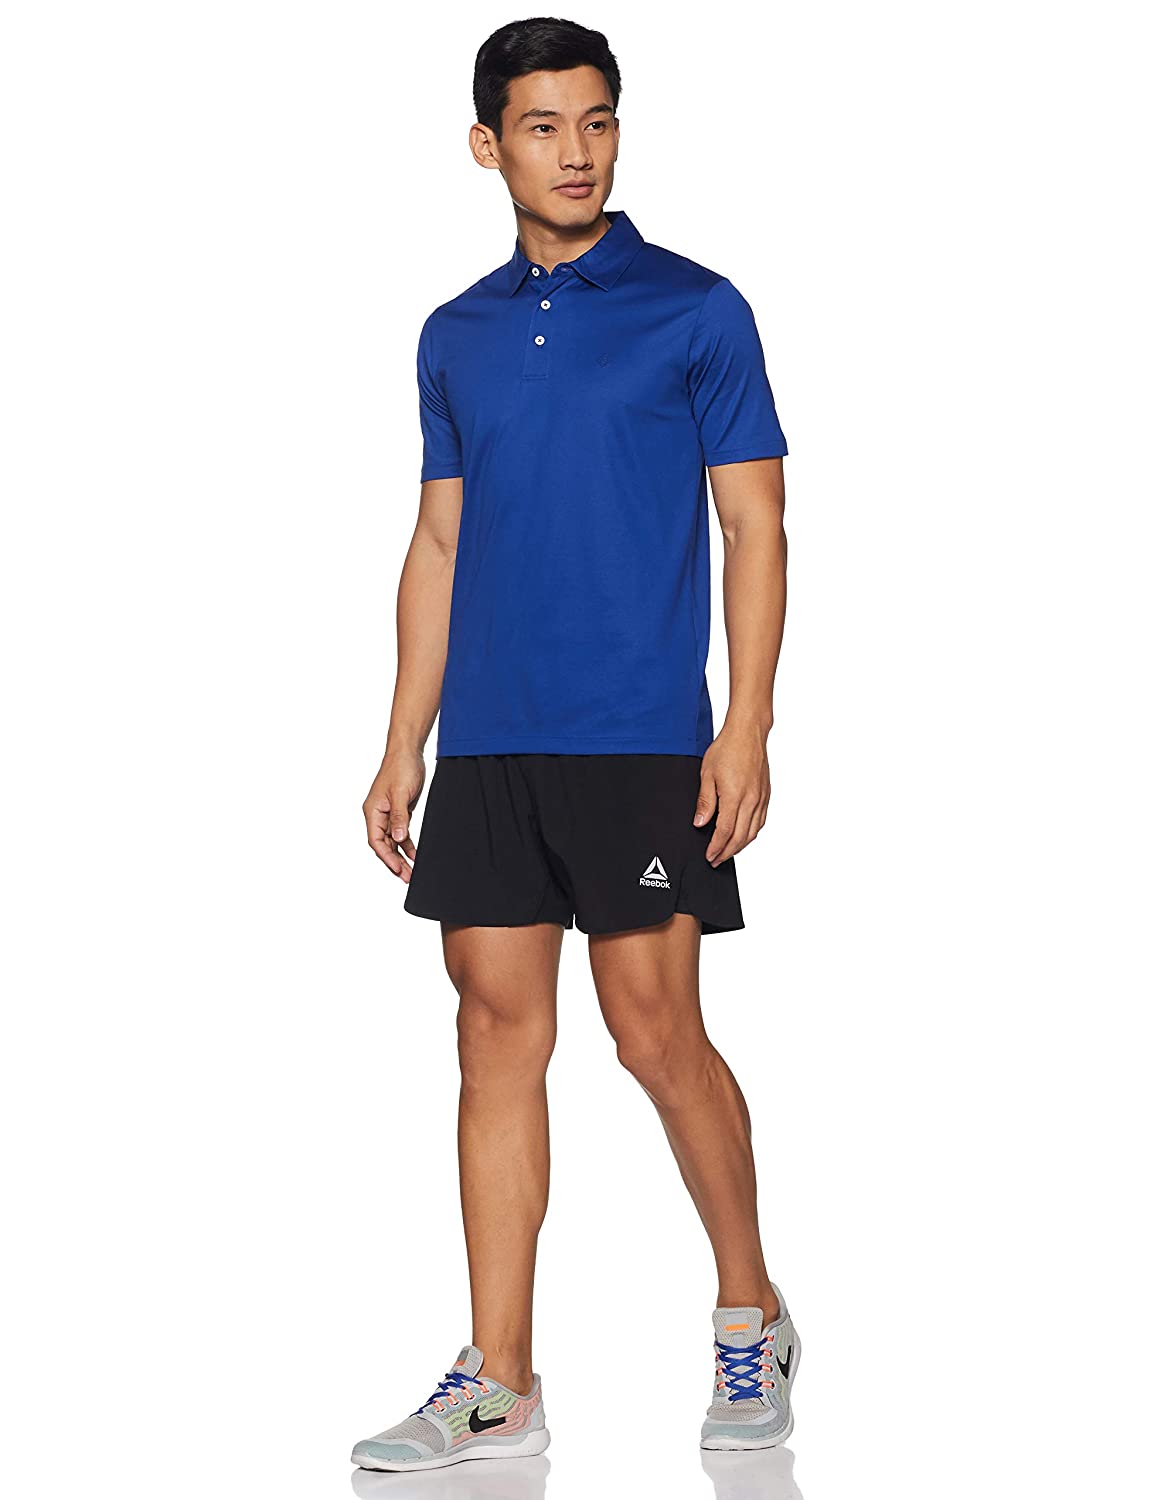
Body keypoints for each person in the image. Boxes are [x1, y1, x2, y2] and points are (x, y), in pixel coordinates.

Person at [353, 16, 800, 1474]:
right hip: (491, 739)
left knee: (653, 1031)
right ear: (488, 145)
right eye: (543, 126)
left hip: (639, 739)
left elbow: (754, 526)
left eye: (597, 122)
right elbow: (437, 541)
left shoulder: (698, 310)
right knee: (493, 1035)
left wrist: (746, 723)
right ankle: (500, 1379)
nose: (576, 152)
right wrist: (403, 741)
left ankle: (748, 1313)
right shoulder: (455, 333)